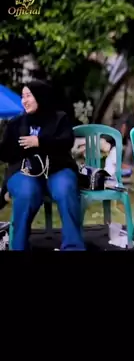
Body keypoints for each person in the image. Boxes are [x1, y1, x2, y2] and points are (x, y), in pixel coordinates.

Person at [0, 81, 85, 251]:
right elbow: (6, 154)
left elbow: (66, 142)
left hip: (57, 168)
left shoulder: (60, 118)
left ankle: (73, 246)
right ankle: (19, 247)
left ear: (41, 97)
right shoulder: (16, 123)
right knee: (26, 192)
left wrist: (40, 142)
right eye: (22, 96)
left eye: (28, 96)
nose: (24, 101)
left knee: (65, 188)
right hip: (24, 170)